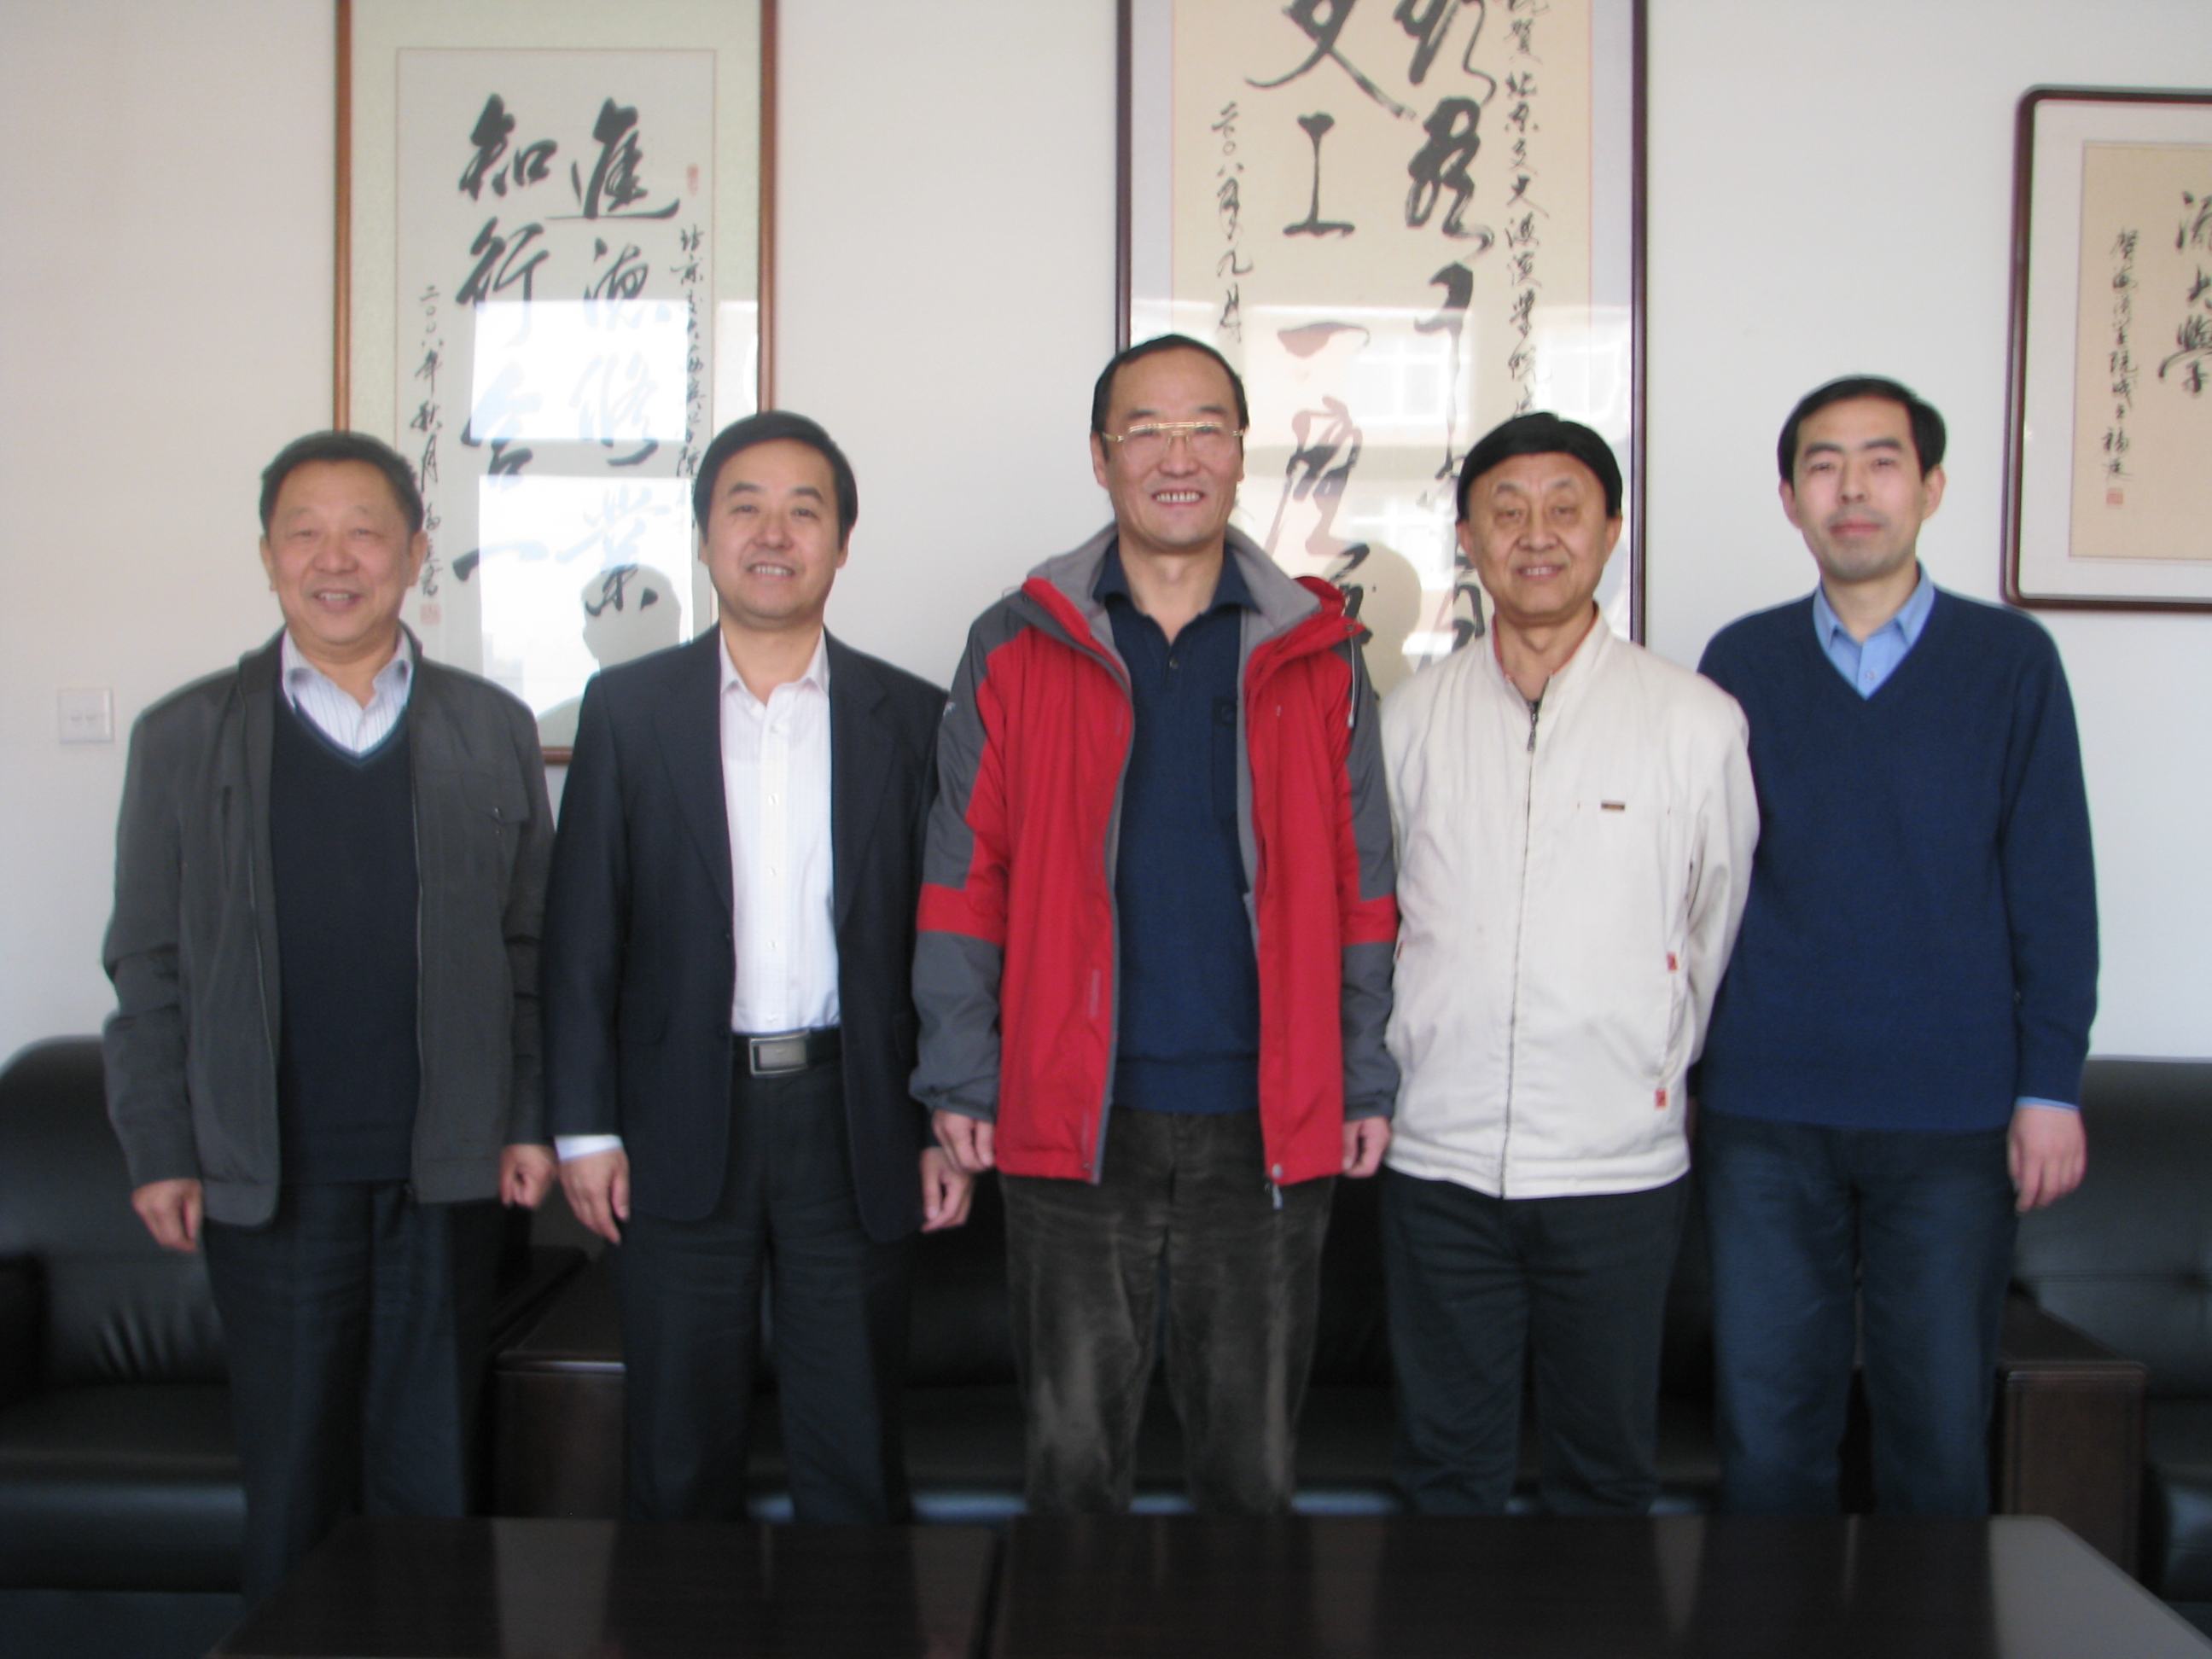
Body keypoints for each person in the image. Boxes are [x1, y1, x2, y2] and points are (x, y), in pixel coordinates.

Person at [913, 335, 1399, 1514]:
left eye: (1204, 429)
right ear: (1101, 457)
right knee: (1073, 1464)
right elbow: (964, 877)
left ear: (1240, 453)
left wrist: (1363, 1072)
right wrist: (959, 1073)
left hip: (1266, 1111)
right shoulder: (1017, 642)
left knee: (1252, 1469)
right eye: (1145, 430)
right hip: (1075, 1109)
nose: (1176, 457)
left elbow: (1363, 888)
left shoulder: (1319, 652)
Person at [102, 430, 556, 1601]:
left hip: (444, 1174)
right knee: (297, 1487)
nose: (334, 558)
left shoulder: (489, 727)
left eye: (365, 532)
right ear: (268, 557)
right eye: (304, 533)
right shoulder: (184, 736)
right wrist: (160, 1147)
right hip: (269, 1179)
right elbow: (147, 965)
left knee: (433, 1482)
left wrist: (529, 1119)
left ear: (415, 552)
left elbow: (531, 953)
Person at [542, 410, 969, 1523]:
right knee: (677, 1458)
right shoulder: (629, 712)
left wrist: (943, 1118)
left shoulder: (911, 715)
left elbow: (944, 941)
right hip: (679, 1116)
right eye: (746, 507)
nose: (773, 534)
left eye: (803, 510)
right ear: (704, 537)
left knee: (852, 1456)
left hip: (856, 1116)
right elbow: (583, 932)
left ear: (843, 541)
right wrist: (584, 1129)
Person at [1697, 375, 2098, 1515]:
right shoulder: (1741, 662)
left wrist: (2051, 1085)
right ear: (1790, 499)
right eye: (1823, 466)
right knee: (1769, 1431)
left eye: (1881, 461)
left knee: (1935, 1433)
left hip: (1951, 1112)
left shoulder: (2010, 662)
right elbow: (1698, 880)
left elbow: (2054, 885)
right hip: (1766, 1108)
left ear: (1931, 487)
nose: (1853, 489)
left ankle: (1934, 1615)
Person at [1379, 412, 1758, 1515]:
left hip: (1617, 1168)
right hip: (1439, 1161)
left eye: (1564, 508)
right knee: (1446, 1475)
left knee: (1603, 1478)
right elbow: (1383, 920)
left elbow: (1715, 920)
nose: (1535, 534)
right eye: (1506, 511)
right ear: (1467, 539)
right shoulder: (1410, 719)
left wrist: (1651, 1061)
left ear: (1612, 530)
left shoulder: (1694, 722)